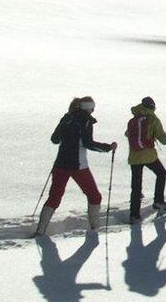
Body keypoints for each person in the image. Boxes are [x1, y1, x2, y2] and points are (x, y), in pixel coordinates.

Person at [36, 96, 115, 236]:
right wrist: (107, 147)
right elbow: (88, 143)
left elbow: (54, 139)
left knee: (54, 197)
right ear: (89, 108)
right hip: (78, 165)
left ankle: (40, 230)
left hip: (60, 163)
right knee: (94, 196)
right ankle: (94, 229)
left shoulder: (66, 117)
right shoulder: (86, 120)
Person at [124, 95, 166, 221]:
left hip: (134, 156)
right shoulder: (153, 119)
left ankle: (134, 215)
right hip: (149, 155)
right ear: (152, 107)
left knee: (136, 186)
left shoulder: (135, 118)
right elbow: (162, 138)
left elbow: (127, 134)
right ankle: (158, 201)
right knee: (161, 173)